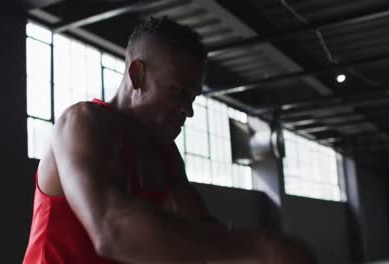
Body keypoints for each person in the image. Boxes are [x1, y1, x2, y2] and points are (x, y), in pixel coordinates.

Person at [23, 17, 315, 264]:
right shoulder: (82, 123)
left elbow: (199, 229)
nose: (188, 111)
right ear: (138, 75)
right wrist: (261, 248)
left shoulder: (165, 154)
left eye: (193, 98)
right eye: (179, 92)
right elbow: (112, 231)